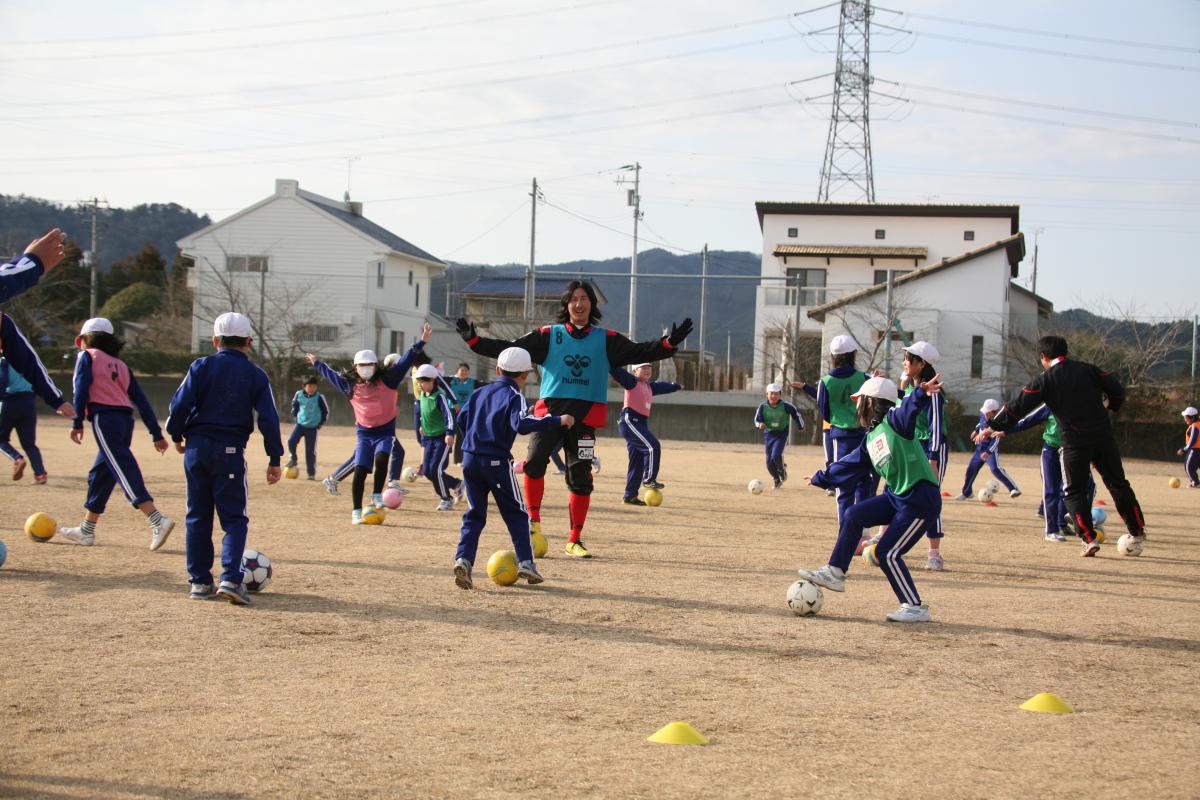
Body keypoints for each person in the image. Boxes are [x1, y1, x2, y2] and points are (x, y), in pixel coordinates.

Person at [457, 280, 691, 558]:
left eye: (584, 299)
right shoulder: (548, 335)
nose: (579, 304)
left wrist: (670, 343)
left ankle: (574, 539)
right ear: (566, 305)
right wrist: (474, 341)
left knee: (581, 479)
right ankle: (534, 525)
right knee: (533, 464)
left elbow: (642, 351)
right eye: (573, 299)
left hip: (585, 418)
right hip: (549, 415)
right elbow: (510, 349)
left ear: (592, 304)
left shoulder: (607, 339)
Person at [797, 374, 945, 623]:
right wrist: (819, 478)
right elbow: (848, 466)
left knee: (887, 553)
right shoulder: (871, 438)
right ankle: (835, 571)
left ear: (870, 402)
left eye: (859, 400)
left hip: (920, 501)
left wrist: (920, 392)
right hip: (897, 497)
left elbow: (907, 407)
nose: (855, 406)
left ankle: (915, 606)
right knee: (854, 514)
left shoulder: (895, 421)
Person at [984, 335, 1147, 557]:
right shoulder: (1089, 369)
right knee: (1118, 483)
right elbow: (1117, 390)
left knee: (1073, 491)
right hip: (1103, 436)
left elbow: (1017, 407)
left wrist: (992, 424)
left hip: (1074, 443)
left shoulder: (1045, 379)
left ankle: (1089, 539)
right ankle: (1136, 530)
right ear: (1066, 352)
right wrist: (1112, 406)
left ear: (1043, 357)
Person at [166, 312, 283, 604]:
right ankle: (230, 579)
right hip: (229, 450)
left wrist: (176, 433)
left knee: (197, 515)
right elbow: (268, 417)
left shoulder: (200, 366)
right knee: (233, 518)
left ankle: (199, 582)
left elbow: (179, 404)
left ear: (215, 340)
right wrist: (274, 457)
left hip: (196, 448)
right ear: (249, 341)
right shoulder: (256, 374)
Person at [452, 347, 573, 589]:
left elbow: (461, 420)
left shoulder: (480, 392)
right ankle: (526, 562)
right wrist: (558, 420)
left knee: (474, 514)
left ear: (498, 370)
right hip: (496, 461)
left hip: (470, 459)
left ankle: (463, 560)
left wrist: (476, 441)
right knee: (517, 513)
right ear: (524, 375)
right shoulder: (514, 395)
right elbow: (522, 424)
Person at [58, 318, 174, 550]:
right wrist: (155, 433)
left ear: (83, 340)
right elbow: (141, 400)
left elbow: (80, 388)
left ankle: (156, 519)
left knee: (122, 467)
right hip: (125, 421)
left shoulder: (86, 356)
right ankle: (86, 530)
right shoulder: (121, 365)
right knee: (101, 473)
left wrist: (77, 420)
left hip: (104, 418)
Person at [309, 324, 430, 523]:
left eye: (369, 365)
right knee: (361, 469)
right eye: (361, 366)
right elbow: (330, 375)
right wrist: (317, 363)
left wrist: (422, 341)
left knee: (382, 458)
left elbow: (407, 359)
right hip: (364, 433)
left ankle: (376, 495)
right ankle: (356, 511)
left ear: (376, 366)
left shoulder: (389, 379)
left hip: (385, 431)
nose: (366, 369)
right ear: (355, 367)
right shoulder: (349, 385)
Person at [792, 335, 876, 507]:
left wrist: (839, 418)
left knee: (844, 485)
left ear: (833, 357)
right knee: (864, 480)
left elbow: (825, 412)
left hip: (840, 436)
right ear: (853, 355)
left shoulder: (825, 382)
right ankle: (864, 530)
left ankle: (845, 529)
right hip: (863, 435)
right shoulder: (865, 378)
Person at [1006, 402, 1094, 542]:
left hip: (1072, 451)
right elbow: (1029, 420)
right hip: (1051, 451)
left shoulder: (1084, 403)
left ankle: (1073, 519)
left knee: (1089, 485)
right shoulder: (1052, 402)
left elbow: (1091, 431)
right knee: (1052, 490)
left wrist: (1093, 455)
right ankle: (1051, 531)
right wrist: (1005, 429)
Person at [897, 342, 949, 570]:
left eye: (908, 360)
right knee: (901, 492)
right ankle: (885, 537)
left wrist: (933, 456)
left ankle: (934, 554)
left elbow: (935, 424)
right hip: (913, 446)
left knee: (930, 498)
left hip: (931, 448)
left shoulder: (934, 389)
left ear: (921, 364)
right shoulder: (911, 386)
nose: (904, 363)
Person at [612, 363, 681, 505]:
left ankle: (630, 496)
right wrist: (609, 361)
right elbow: (616, 371)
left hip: (640, 423)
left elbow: (663, 386)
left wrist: (676, 386)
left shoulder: (649, 387)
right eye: (643, 367)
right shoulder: (631, 381)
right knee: (652, 446)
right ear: (634, 371)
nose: (648, 370)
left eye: (649, 368)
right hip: (629, 421)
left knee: (636, 461)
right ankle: (649, 479)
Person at [414, 362, 463, 511]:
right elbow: (424, 413)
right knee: (428, 471)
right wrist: (422, 425)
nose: (420, 385)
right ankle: (456, 484)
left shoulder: (439, 396)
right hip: (428, 439)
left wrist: (449, 433)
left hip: (441, 439)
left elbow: (449, 416)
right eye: (419, 382)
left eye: (423, 382)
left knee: (436, 470)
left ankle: (445, 499)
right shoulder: (422, 395)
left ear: (432, 381)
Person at [951, 399, 1020, 501]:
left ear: (994, 412)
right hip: (980, 448)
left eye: (988, 413)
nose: (986, 415)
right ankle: (967, 493)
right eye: (985, 412)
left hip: (991, 449)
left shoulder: (999, 421)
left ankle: (1013, 489)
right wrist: (975, 430)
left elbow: (996, 440)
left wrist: (988, 452)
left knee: (995, 469)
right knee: (971, 469)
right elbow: (980, 423)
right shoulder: (984, 414)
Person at [0, 355, 50, 483]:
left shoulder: (5, 361)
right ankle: (40, 474)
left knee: (1, 439)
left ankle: (17, 459)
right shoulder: (30, 361)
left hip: (10, 402)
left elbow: (2, 381)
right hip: (29, 403)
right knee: (29, 443)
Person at [754, 383, 806, 489]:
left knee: (776, 455)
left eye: (776, 394)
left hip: (781, 434)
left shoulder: (786, 406)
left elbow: (796, 414)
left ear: (780, 395)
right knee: (769, 463)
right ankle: (777, 479)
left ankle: (782, 470)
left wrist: (801, 425)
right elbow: (757, 420)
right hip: (769, 435)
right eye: (771, 394)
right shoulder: (762, 407)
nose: (773, 396)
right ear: (767, 395)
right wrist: (760, 424)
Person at [286, 375, 329, 480]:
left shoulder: (319, 397)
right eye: (310, 386)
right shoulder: (299, 394)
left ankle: (311, 473)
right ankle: (293, 459)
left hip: (312, 427)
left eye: (314, 386)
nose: (312, 389)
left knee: (310, 451)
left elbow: (325, 411)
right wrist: (295, 416)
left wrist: (320, 423)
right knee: (291, 441)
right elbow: (294, 406)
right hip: (300, 425)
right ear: (304, 386)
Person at [449, 362, 484, 465]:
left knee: (461, 435)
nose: (464, 372)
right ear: (457, 371)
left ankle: (458, 460)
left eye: (465, 370)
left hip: (465, 412)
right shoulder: (451, 380)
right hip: (452, 410)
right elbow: (438, 380)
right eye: (462, 370)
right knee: (450, 432)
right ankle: (445, 454)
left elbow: (485, 384)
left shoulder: (472, 382)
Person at [1178, 406, 1200, 488]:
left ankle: (1195, 483)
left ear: (1192, 417)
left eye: (1186, 417)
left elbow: (1192, 440)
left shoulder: (1195, 426)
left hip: (1195, 450)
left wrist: (1183, 449)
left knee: (1188, 466)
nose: (1185, 419)